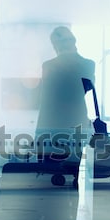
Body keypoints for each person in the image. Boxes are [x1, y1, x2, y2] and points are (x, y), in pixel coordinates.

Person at [36, 26, 96, 188]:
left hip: (53, 121)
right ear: (74, 41)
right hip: (77, 120)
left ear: (56, 46)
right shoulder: (88, 65)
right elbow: (89, 92)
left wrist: (38, 130)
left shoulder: (49, 66)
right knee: (73, 163)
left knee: (53, 167)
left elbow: (46, 97)